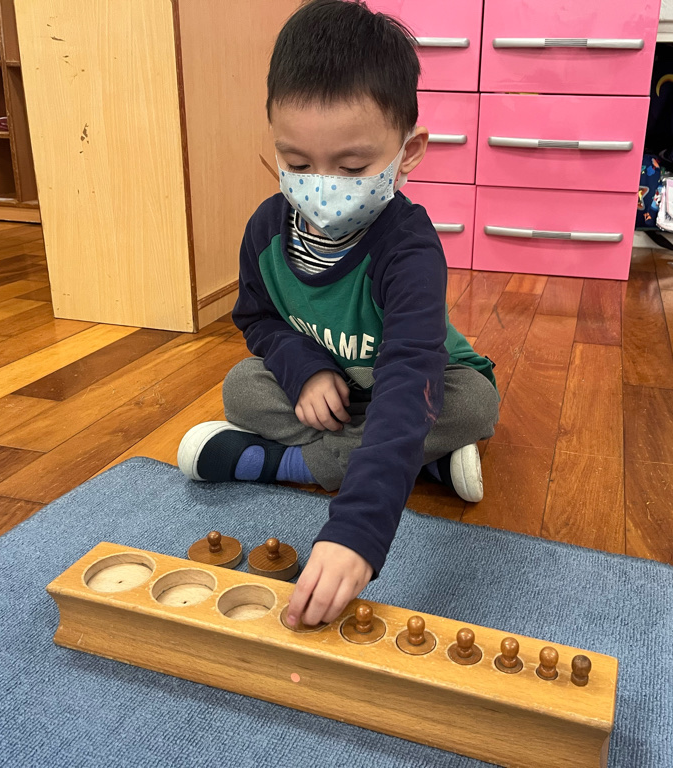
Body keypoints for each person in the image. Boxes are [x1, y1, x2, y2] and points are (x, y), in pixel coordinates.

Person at [177, 0, 498, 629]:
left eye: (352, 168)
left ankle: (290, 465)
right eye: (297, 164)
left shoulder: (409, 248)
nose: (320, 185)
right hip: (334, 392)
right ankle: (422, 463)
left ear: (409, 152)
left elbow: (410, 377)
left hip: (413, 383)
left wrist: (359, 530)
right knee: (241, 386)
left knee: (473, 405)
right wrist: (303, 368)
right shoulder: (266, 230)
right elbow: (258, 321)